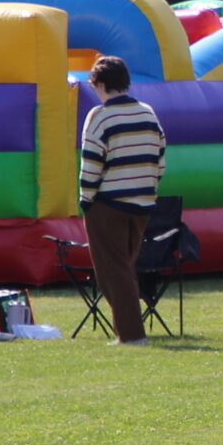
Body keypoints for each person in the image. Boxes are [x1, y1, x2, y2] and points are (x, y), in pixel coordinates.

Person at [78, 53, 166, 345]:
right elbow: (160, 159)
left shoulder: (99, 115)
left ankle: (130, 335)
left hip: (108, 203)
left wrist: (85, 199)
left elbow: (91, 162)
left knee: (112, 273)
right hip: (142, 202)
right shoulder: (148, 112)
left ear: (100, 83)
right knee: (125, 268)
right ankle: (127, 329)